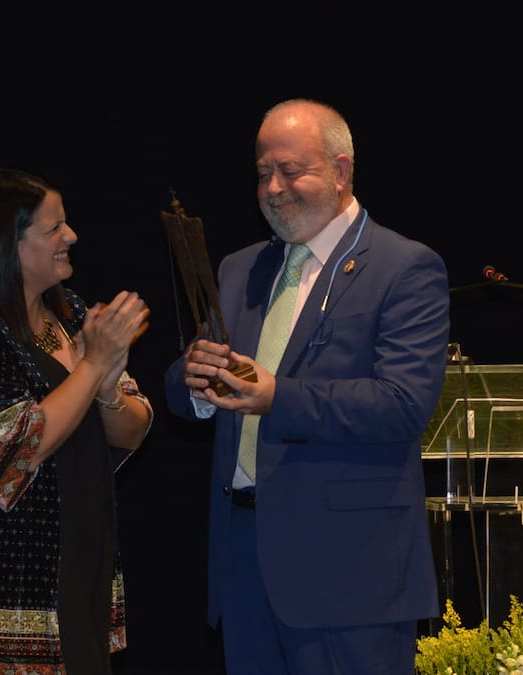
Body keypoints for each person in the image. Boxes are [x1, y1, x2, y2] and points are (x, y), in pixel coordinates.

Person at [164, 98, 450, 674]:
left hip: (349, 576)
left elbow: (401, 404)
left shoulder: (404, 267)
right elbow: (195, 375)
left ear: (341, 172)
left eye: (292, 171)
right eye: (263, 172)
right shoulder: (240, 269)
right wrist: (193, 380)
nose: (274, 187)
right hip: (244, 561)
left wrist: (278, 398)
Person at [0, 167, 153, 674]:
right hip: (10, 587)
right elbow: (10, 452)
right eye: (53, 229)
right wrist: (93, 363)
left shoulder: (68, 311)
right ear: (8, 242)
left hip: (81, 561)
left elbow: (132, 430)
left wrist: (107, 380)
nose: (72, 237)